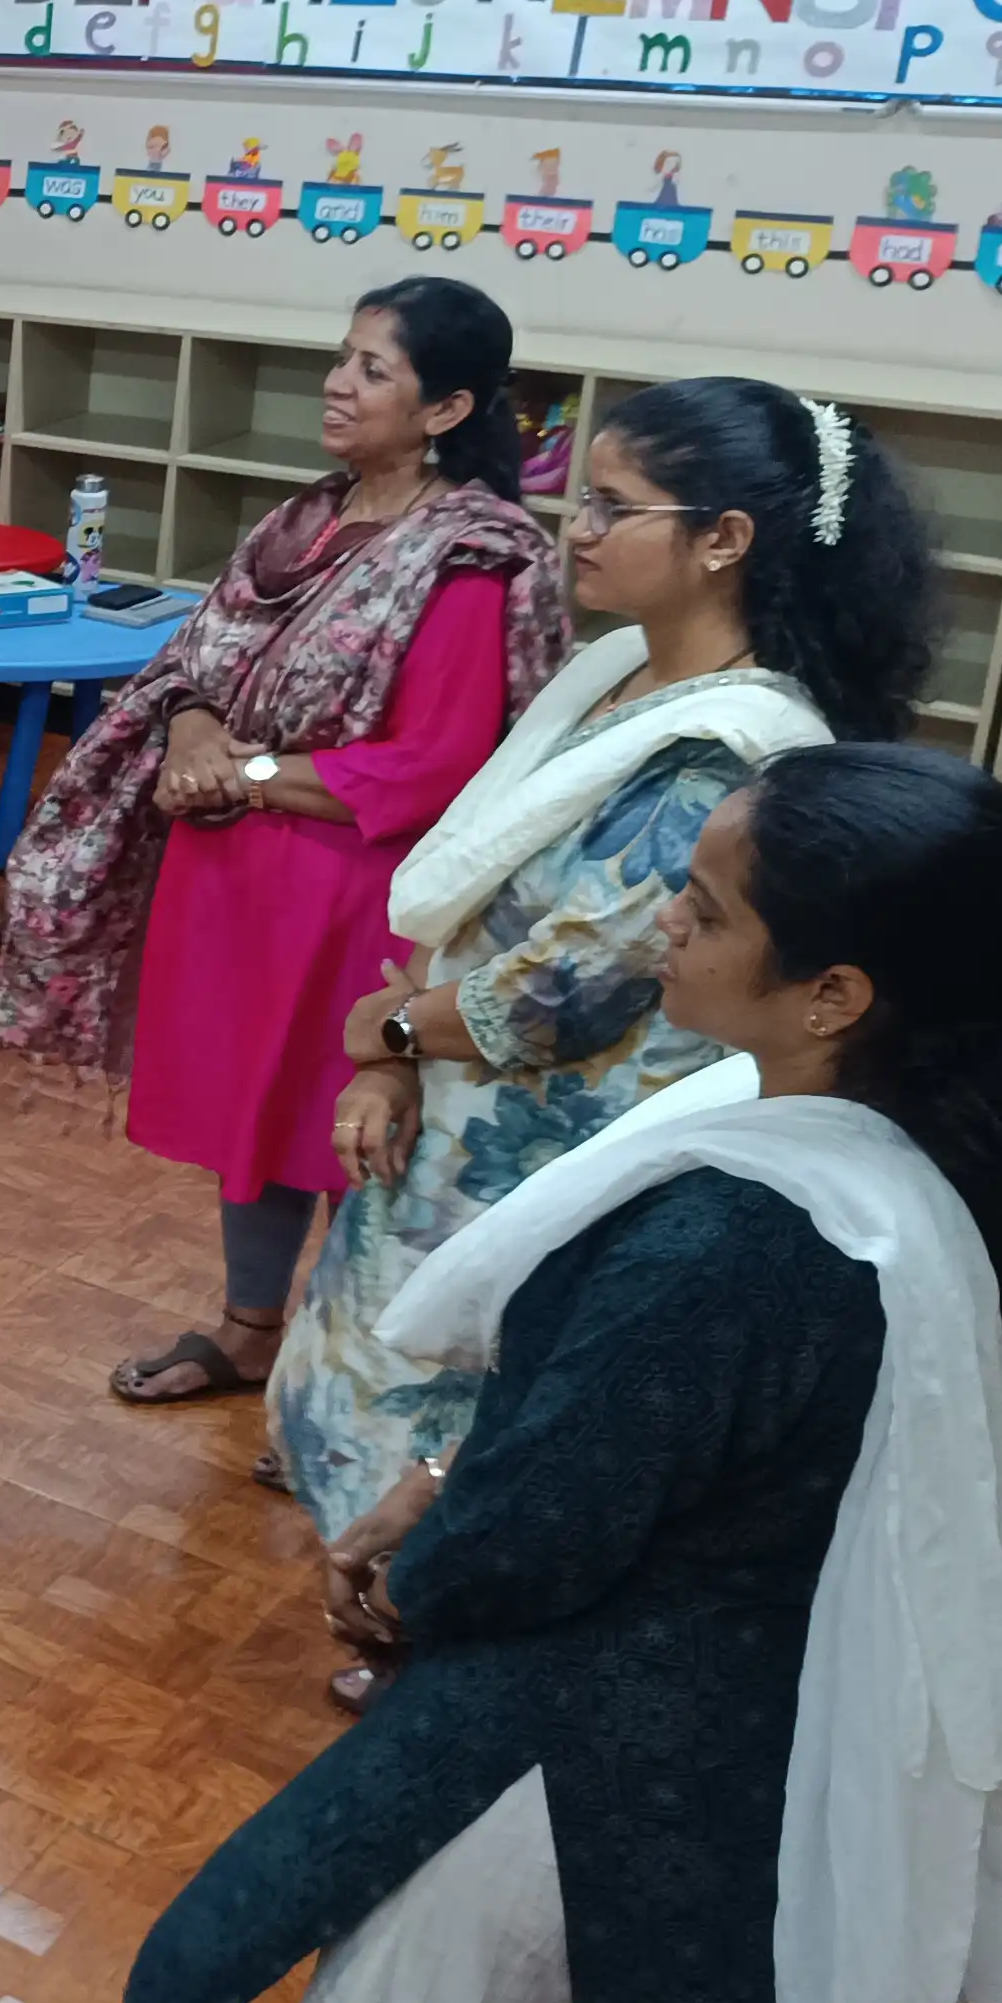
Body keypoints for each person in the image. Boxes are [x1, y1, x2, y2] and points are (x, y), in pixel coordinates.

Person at [128, 747, 1002, 2003]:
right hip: (782, 1755)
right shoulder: (969, 1173)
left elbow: (541, 1537)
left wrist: (416, 1563)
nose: (665, 918)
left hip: (599, 1746)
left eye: (710, 907)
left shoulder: (732, 1234)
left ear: (833, 995)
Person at [275, 383, 938, 1618]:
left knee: (471, 1414)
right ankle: (388, 1580)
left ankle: (424, 1623)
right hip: (450, 1099)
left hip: (536, 1144)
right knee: (394, 1374)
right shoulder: (621, 670)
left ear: (723, 539)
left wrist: (388, 1029)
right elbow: (482, 891)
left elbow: (557, 994)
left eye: (614, 506)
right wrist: (395, 1048)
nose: (573, 525)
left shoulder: (723, 753)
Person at [0, 278, 568, 1406]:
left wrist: (240, 772)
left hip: (352, 889)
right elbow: (194, 660)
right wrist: (193, 728)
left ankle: (349, 1382)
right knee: (251, 1114)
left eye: (372, 370)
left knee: (348, 1129)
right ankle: (250, 1329)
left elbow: (433, 764)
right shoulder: (302, 521)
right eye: (341, 359)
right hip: (238, 873)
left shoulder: (471, 557)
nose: (338, 386)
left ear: (445, 410)